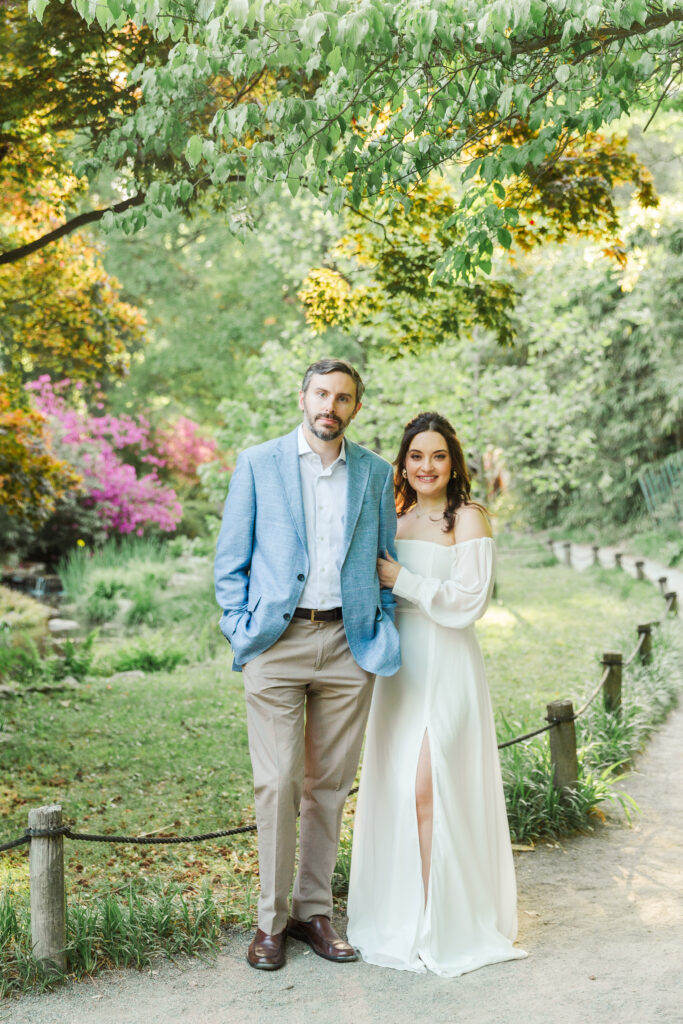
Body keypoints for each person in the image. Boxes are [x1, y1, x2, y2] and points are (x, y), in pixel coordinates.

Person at [214, 358, 400, 971]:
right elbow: (230, 561)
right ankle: (269, 922)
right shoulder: (259, 464)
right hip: (277, 643)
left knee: (329, 787)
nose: (331, 405)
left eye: (343, 397)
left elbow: (384, 559)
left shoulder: (374, 472)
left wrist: (382, 624)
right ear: (303, 397)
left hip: (349, 646)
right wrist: (242, 630)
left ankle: (312, 912)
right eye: (322, 393)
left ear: (355, 408)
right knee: (278, 783)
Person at [346, 412, 527, 977]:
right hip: (399, 671)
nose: (426, 466)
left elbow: (468, 603)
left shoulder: (469, 519)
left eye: (438, 456)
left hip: (448, 666)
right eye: (416, 457)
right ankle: (407, 914)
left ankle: (443, 922)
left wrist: (403, 580)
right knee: (401, 789)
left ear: (453, 464)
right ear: (403, 464)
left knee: (432, 783)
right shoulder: (391, 521)